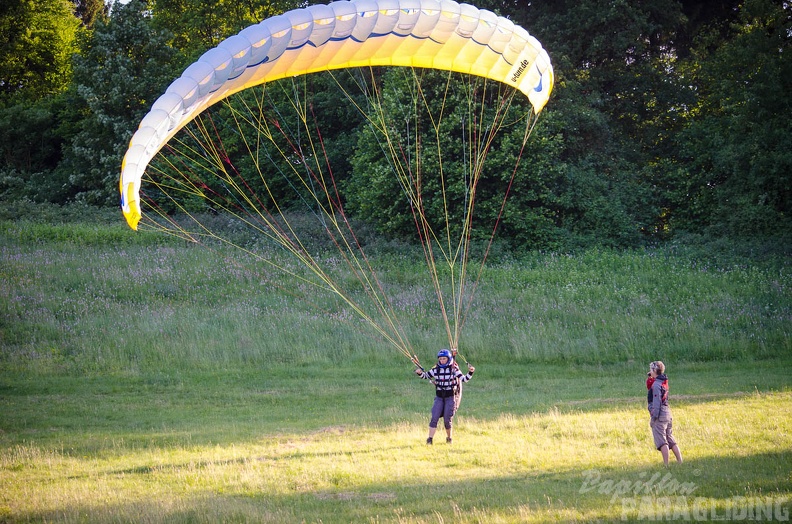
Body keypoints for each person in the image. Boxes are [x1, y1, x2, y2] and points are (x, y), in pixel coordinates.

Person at [415, 349, 475, 444]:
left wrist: (470, 372)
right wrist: (419, 373)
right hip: (439, 397)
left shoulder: (454, 369)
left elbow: (464, 379)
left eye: (444, 359)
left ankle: (449, 438)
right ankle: (430, 439)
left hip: (450, 397)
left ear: (448, 358)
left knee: (447, 419)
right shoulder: (436, 369)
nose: (442, 360)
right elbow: (425, 376)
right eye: (440, 359)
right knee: (434, 417)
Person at [647, 360, 683, 466]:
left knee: (662, 441)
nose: (649, 372)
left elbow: (657, 402)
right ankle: (680, 461)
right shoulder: (663, 382)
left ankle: (666, 465)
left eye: (651, 370)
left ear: (655, 370)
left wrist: (654, 417)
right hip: (667, 413)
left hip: (660, 415)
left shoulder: (656, 385)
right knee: (670, 438)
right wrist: (651, 377)